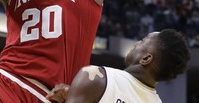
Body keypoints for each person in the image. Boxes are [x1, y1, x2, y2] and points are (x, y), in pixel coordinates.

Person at [46, 29, 191, 103]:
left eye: (143, 41)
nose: (136, 44)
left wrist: (79, 93)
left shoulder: (95, 77)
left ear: (146, 58)